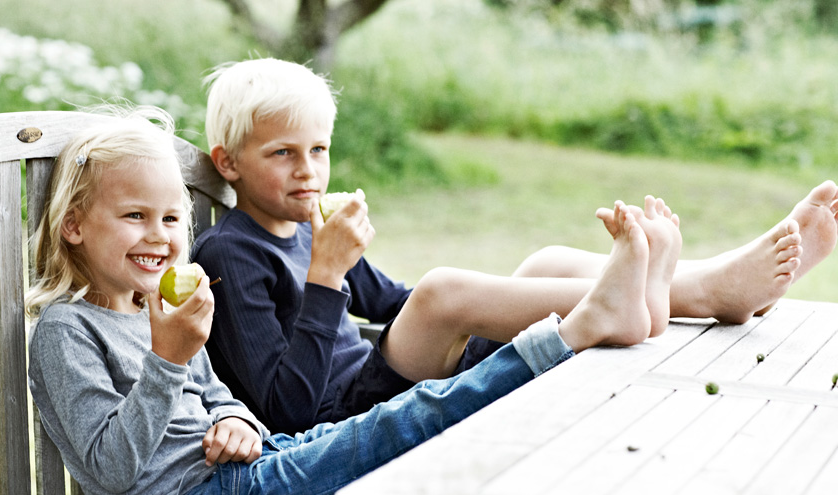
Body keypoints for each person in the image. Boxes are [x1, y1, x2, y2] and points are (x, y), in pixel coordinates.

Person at [25, 104, 674, 495]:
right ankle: (573, 332)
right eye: (134, 216)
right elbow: (113, 470)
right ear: (74, 227)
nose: (160, 235)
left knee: (402, 421)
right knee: (402, 426)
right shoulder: (66, 332)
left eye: (171, 217)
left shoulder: (158, 311)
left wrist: (234, 423)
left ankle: (586, 338)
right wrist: (168, 360)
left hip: (247, 478)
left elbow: (217, 394)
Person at [193, 57, 838, 434]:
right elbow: (284, 408)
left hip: (373, 380)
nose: (308, 170)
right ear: (228, 163)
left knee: (541, 265)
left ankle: (699, 283)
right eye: (282, 154)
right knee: (444, 292)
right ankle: (682, 293)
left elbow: (390, 300)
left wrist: (494, 302)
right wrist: (328, 276)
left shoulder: (310, 228)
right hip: (334, 423)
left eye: (318, 149)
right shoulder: (230, 254)